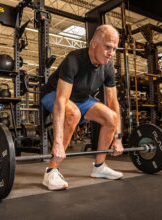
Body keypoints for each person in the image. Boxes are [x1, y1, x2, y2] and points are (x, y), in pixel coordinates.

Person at [40, 24, 124, 191]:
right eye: (108, 47)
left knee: (111, 118)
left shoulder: (108, 67)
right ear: (93, 44)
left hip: (81, 98)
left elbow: (113, 102)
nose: (111, 53)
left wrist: (118, 137)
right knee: (73, 114)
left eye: (114, 49)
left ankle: (99, 167)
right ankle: (51, 171)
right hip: (53, 94)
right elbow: (61, 101)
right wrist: (56, 141)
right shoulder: (74, 60)